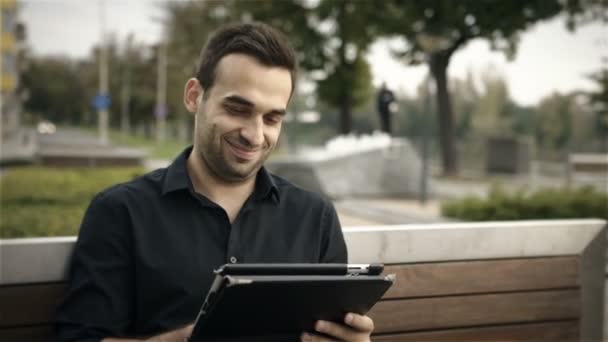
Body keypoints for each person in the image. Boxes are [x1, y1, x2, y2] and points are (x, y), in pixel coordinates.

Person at [56, 22, 375, 342]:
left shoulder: (315, 217)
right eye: (237, 109)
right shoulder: (120, 212)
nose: (254, 135)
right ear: (194, 96)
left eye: (272, 118)